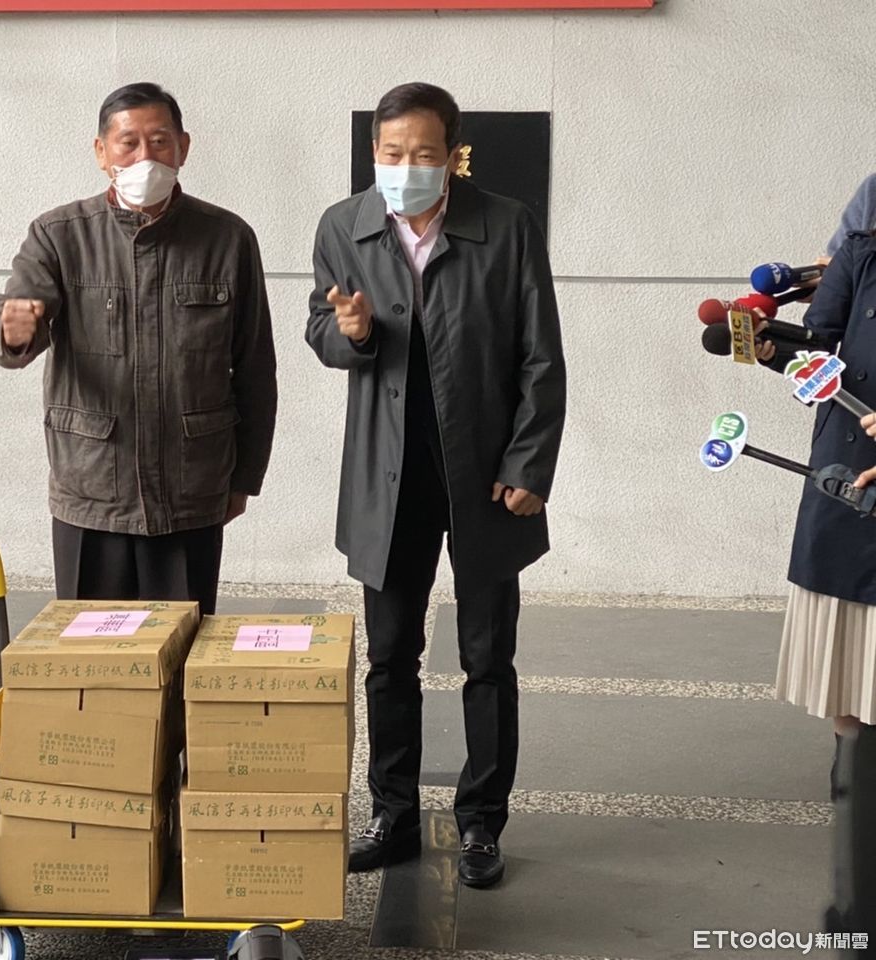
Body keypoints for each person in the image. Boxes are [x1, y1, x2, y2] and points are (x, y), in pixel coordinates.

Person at [305, 82, 566, 888]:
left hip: (484, 473)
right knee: (390, 655)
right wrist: (348, 334)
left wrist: (528, 465)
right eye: (391, 153)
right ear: (373, 153)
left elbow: (541, 356)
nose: (406, 166)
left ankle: (482, 822)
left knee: (488, 657)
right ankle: (392, 815)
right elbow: (319, 328)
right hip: (388, 473)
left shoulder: (506, 225)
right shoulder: (343, 226)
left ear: (453, 155)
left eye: (423, 153)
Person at [0, 83, 277, 615]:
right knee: (92, 654)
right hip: (91, 488)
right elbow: (17, 318)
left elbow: (255, 368)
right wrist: (14, 331)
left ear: (183, 147)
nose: (145, 157)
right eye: (128, 143)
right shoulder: (59, 235)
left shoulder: (227, 238)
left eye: (159, 142)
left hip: (191, 488)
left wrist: (244, 478)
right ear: (102, 153)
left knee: (182, 648)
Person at [775, 225, 876, 800]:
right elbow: (815, 348)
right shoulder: (863, 251)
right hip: (850, 463)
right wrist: (770, 347)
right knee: (850, 648)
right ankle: (852, 785)